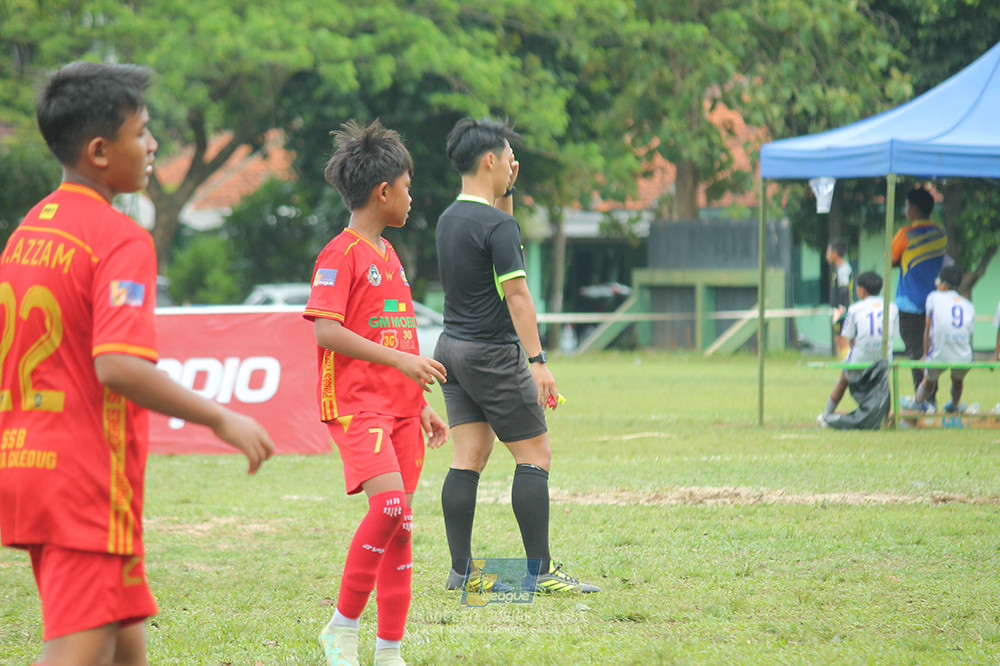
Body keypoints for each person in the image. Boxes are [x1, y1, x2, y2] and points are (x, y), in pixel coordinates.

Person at [0, 61, 274, 666]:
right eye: (142, 132)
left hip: (27, 462)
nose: (152, 146)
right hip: (82, 477)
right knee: (79, 647)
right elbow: (119, 366)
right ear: (100, 151)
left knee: (125, 641)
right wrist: (220, 417)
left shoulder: (28, 229)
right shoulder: (119, 237)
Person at [304, 119, 450, 666]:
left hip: (402, 409)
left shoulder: (389, 254)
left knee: (402, 527)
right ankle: (341, 628)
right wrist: (404, 363)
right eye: (408, 187)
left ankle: (389, 652)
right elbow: (327, 331)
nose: (412, 197)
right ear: (383, 192)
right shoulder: (339, 254)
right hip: (357, 405)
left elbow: (397, 334)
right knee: (388, 507)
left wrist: (420, 402)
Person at [434, 117, 600, 594]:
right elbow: (518, 297)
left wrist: (506, 191)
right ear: (490, 160)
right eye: (509, 158)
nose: (513, 165)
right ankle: (539, 573)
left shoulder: (449, 219)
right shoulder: (499, 225)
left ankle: (462, 572)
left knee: (470, 454)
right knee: (535, 455)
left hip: (452, 350)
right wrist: (538, 361)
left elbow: (491, 236)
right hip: (492, 354)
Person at [819, 271, 899, 424]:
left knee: (843, 379)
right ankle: (885, 415)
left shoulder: (855, 308)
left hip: (861, 357)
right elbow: (892, 335)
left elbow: (848, 338)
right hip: (884, 359)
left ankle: (827, 415)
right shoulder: (892, 307)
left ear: (862, 290)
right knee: (882, 378)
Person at [892, 187, 947, 405]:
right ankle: (930, 397)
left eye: (907, 206)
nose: (906, 210)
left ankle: (923, 400)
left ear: (914, 208)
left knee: (916, 352)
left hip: (910, 303)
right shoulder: (940, 233)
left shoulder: (905, 234)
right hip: (935, 302)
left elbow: (891, 258)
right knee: (931, 351)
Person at [901, 265, 975, 414]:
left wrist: (924, 355)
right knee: (958, 381)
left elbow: (928, 328)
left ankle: (918, 402)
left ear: (943, 285)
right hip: (963, 354)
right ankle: (955, 404)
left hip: (939, 351)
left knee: (928, 381)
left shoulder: (933, 297)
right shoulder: (968, 305)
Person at [827, 238, 853, 361]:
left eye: (828, 251)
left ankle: (848, 365)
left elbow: (844, 291)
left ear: (835, 253)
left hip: (842, 311)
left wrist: (841, 309)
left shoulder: (843, 269)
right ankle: (844, 366)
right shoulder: (839, 268)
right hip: (839, 310)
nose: (827, 255)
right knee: (838, 340)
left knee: (842, 340)